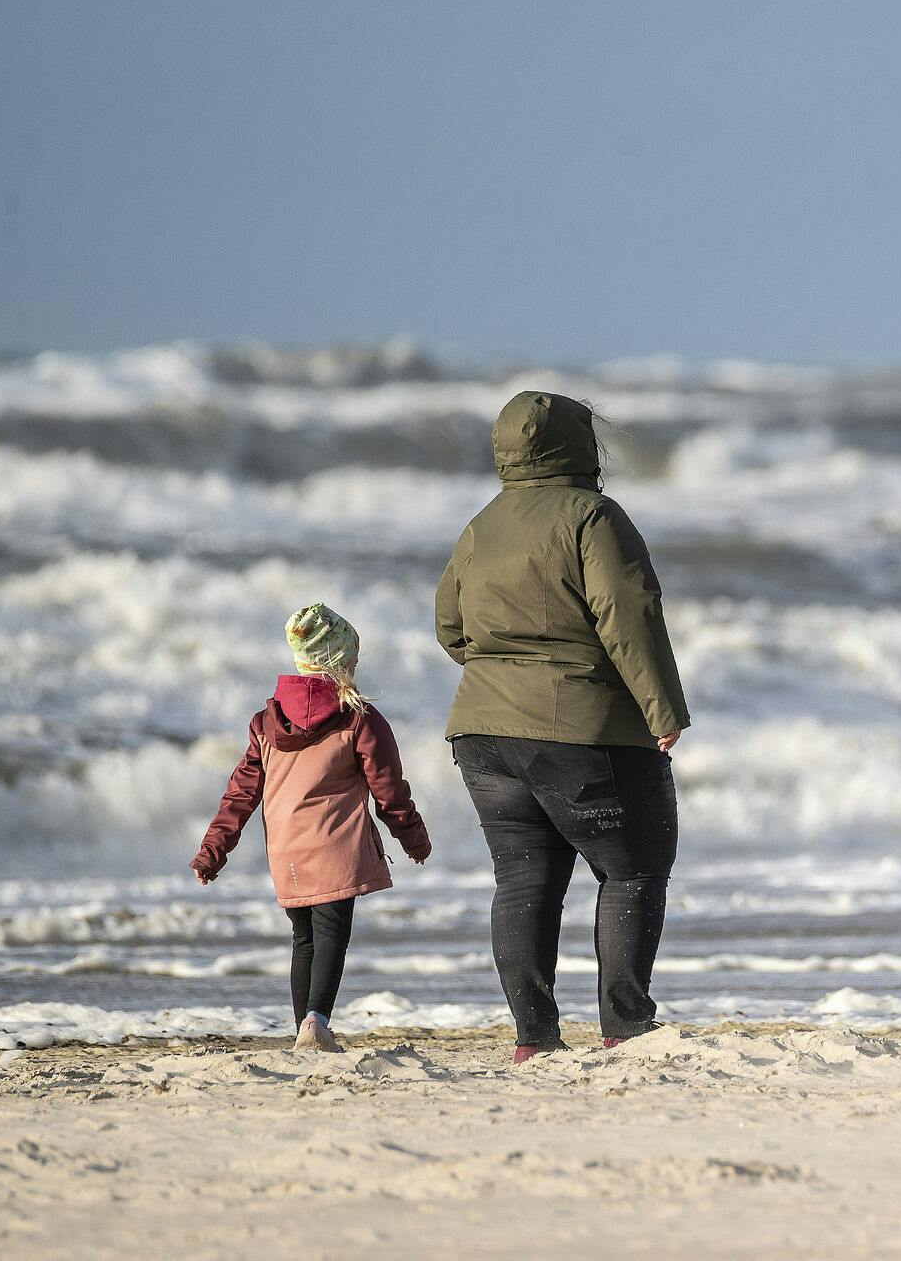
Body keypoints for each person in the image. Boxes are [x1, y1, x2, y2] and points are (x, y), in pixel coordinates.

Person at [436, 390, 690, 1064]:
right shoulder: (592, 516)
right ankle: (625, 1027)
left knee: (523, 880)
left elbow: (450, 625)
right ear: (579, 446)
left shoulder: (481, 525)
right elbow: (629, 615)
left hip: (483, 735)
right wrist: (663, 710)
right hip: (583, 730)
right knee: (633, 868)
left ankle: (534, 1037)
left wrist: (503, 677)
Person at [191, 603, 432, 1051]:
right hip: (337, 846)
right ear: (340, 663)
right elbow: (389, 788)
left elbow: (241, 793)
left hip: (287, 851)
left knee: (303, 938)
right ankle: (318, 1020)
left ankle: (305, 1025)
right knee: (332, 933)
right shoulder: (360, 718)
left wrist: (212, 850)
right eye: (352, 661)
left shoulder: (266, 723)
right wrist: (412, 836)